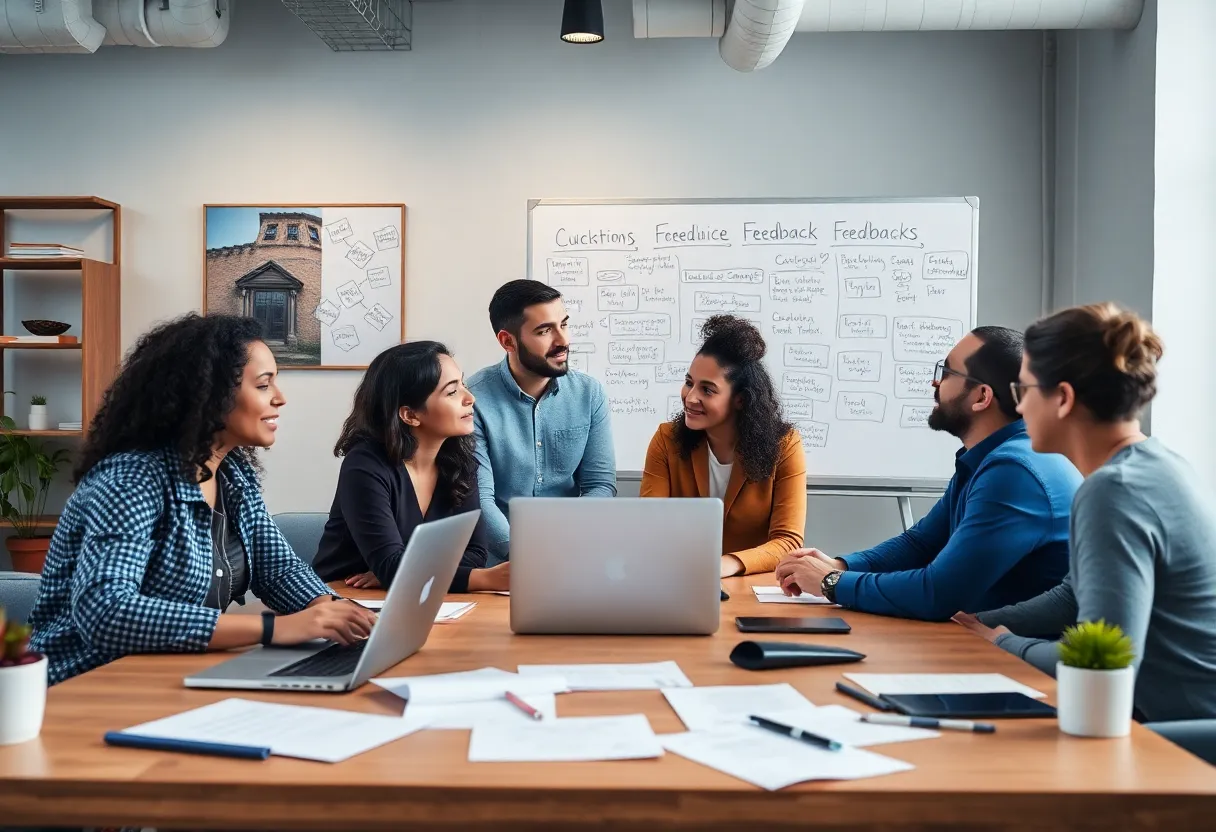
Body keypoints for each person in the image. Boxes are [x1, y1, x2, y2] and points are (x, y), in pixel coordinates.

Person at [28, 314, 375, 686]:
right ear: (209, 395)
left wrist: (331, 612)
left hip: (167, 678)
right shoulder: (131, 479)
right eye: (263, 385)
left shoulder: (232, 475)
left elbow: (279, 571)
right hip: (88, 685)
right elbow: (106, 611)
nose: (280, 397)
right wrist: (274, 628)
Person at [954, 304, 1216, 723]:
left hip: (1180, 735)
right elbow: (1073, 596)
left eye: (1024, 392)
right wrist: (979, 624)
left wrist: (1004, 643)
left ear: (1063, 398)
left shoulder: (1114, 490)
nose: (1019, 409)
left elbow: (1107, 662)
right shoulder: (1157, 464)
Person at [774, 326, 1081, 621]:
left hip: (1018, 659)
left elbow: (937, 593)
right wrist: (840, 564)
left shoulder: (1015, 471)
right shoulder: (988, 458)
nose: (935, 384)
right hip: (981, 643)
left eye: (946, 373)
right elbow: (921, 544)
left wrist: (832, 583)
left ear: (981, 397)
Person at [312, 341, 508, 593]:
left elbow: (475, 552)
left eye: (463, 385)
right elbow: (392, 566)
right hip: (342, 601)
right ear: (410, 415)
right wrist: (486, 579)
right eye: (451, 392)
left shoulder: (461, 462)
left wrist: (406, 573)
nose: (470, 398)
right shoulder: (364, 465)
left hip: (419, 599)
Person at [640, 315, 805, 576]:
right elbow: (648, 528)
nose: (690, 397)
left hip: (752, 588)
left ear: (740, 400)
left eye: (708, 390)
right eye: (689, 382)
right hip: (680, 580)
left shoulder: (784, 445)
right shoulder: (666, 440)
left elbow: (788, 542)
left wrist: (723, 564)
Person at [466, 279, 616, 564]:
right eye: (545, 331)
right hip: (500, 566)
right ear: (507, 341)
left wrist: (565, 547)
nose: (563, 341)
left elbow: (600, 485)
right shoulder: (473, 400)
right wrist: (530, 559)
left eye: (564, 324)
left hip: (574, 555)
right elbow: (480, 499)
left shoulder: (589, 393)